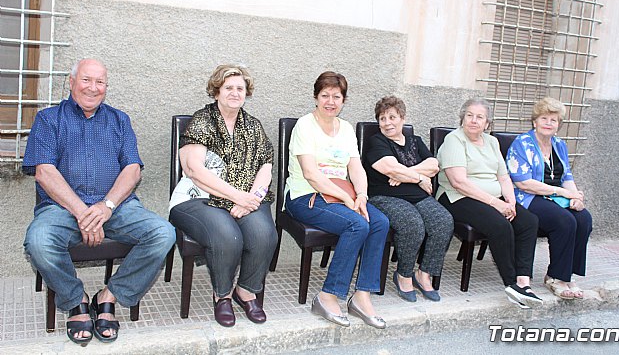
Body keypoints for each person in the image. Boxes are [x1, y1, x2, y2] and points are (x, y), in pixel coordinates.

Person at [22, 59, 176, 345]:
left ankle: (109, 295)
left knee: (163, 233)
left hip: (116, 207)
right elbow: (44, 172)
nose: (93, 88)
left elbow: (133, 169)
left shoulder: (120, 120)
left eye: (100, 82)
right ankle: (75, 299)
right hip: (62, 208)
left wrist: (106, 207)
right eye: (86, 80)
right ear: (71, 82)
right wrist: (83, 212)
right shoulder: (48, 119)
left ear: (106, 87)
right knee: (39, 241)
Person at [169, 64, 277, 327]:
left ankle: (247, 290)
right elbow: (194, 169)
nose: (235, 92)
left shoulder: (253, 125)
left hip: (246, 197)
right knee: (228, 236)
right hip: (198, 198)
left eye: (240, 88)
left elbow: (266, 165)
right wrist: (238, 197)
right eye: (229, 87)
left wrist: (254, 197)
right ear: (216, 91)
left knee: (265, 234)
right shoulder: (202, 121)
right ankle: (223, 295)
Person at [285, 71, 390, 328]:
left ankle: (362, 296)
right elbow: (310, 173)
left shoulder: (346, 129)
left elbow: (356, 168)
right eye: (325, 95)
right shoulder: (304, 125)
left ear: (343, 100)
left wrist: (362, 196)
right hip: (306, 196)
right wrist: (346, 197)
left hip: (343, 196)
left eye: (336, 96)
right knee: (358, 224)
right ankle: (327, 295)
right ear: (315, 97)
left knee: (379, 222)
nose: (330, 101)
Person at [435, 97, 542, 309]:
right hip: (458, 197)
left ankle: (523, 281)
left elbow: (503, 176)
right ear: (462, 118)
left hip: (493, 198)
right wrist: (496, 203)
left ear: (487, 123)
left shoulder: (492, 142)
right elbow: (459, 182)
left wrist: (510, 201)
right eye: (469, 116)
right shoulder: (454, 140)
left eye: (479, 117)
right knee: (500, 225)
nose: (474, 120)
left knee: (528, 221)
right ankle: (511, 283)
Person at [363, 96, 453, 302]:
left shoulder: (415, 141)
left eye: (392, 117)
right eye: (382, 118)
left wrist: (405, 174)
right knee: (413, 224)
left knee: (443, 221)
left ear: (402, 118)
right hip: (385, 196)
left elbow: (434, 165)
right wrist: (420, 177)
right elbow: (389, 168)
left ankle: (424, 274)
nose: (387, 123)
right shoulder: (377, 141)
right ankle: (403, 275)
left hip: (416, 195)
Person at [506, 97, 592, 299]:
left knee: (584, 218)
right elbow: (523, 182)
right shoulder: (522, 143)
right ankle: (556, 277)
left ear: (558, 125)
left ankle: (566, 273)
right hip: (527, 197)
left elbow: (566, 176)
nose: (548, 123)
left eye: (553, 120)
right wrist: (563, 193)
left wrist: (576, 197)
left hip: (554, 198)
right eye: (544, 118)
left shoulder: (559, 145)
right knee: (565, 220)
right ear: (535, 121)